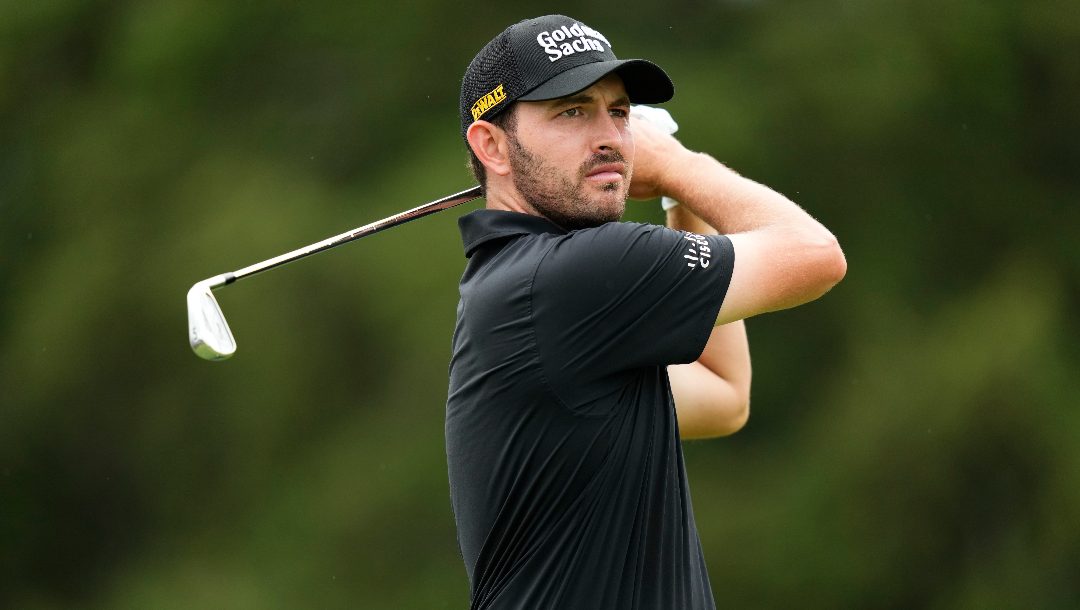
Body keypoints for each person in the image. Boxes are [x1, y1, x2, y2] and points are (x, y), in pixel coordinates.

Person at [445, 15, 846, 609]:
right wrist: (681, 164)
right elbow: (816, 255)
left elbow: (724, 394)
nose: (610, 137)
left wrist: (678, 197)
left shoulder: (532, 291)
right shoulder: (577, 273)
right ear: (493, 146)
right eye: (572, 111)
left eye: (620, 112)